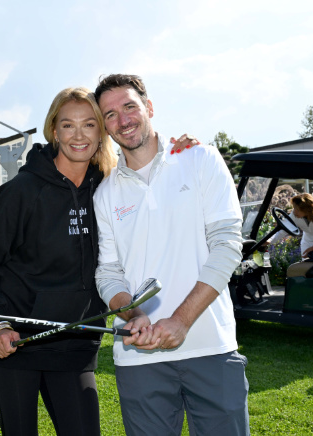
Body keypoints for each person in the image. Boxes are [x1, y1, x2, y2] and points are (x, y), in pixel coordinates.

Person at [0, 86, 198, 436]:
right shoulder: (21, 192)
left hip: (74, 345)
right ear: (54, 130)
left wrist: (179, 152)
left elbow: (152, 174)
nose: (78, 135)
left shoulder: (106, 189)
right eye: (68, 125)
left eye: (89, 125)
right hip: (16, 345)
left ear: (101, 131)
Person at [93, 74, 250, 436]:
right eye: (111, 114)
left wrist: (180, 321)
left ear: (149, 108)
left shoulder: (200, 159)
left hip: (210, 346)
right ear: (105, 127)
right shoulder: (105, 194)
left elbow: (226, 245)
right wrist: (133, 314)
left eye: (129, 106)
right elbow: (109, 273)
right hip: (138, 357)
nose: (123, 119)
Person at [269, 192, 313, 258]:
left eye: (297, 209)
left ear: (307, 209)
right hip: (307, 243)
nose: (294, 211)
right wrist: (269, 241)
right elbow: (283, 230)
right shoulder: (294, 215)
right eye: (294, 208)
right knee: (306, 268)